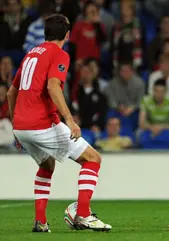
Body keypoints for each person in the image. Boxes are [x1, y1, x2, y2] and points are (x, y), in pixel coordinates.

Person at [6, 14, 111, 232]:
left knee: (47, 165)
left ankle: (40, 222)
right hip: (41, 123)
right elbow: (53, 86)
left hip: (22, 126)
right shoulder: (59, 54)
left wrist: (17, 125)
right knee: (92, 158)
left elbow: (11, 92)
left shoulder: (30, 54)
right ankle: (83, 214)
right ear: (67, 35)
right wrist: (70, 120)